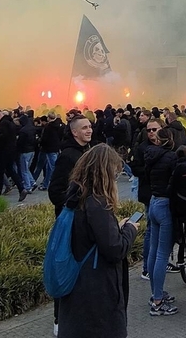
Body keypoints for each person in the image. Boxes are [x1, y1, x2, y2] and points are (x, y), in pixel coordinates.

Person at [56, 144, 140, 338]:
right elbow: (114, 249)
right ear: (105, 173)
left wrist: (114, 228)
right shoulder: (97, 202)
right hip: (97, 292)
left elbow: (89, 236)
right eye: (115, 175)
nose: (116, 180)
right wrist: (129, 230)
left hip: (77, 286)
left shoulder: (75, 197)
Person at [48, 114, 94, 335]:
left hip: (86, 221)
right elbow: (55, 190)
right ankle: (60, 319)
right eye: (84, 127)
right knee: (66, 268)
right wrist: (72, 206)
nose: (89, 130)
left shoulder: (87, 152)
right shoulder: (68, 156)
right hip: (72, 221)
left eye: (90, 126)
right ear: (74, 132)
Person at [143, 124, 179, 316]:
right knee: (162, 255)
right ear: (170, 139)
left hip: (154, 202)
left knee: (154, 252)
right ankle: (157, 302)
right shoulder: (172, 157)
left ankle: (155, 293)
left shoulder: (151, 156)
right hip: (166, 205)